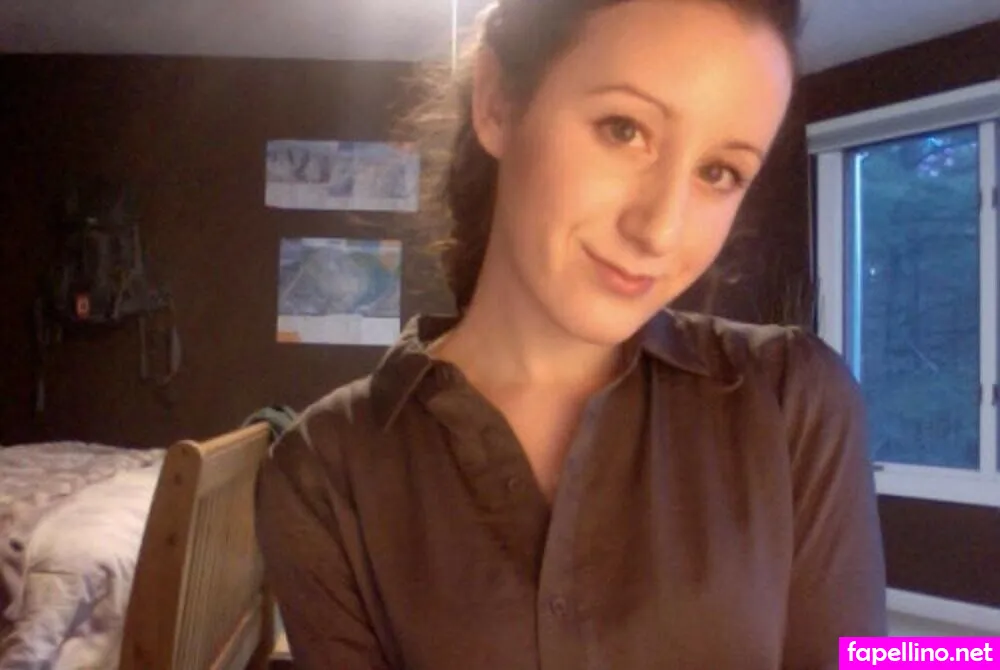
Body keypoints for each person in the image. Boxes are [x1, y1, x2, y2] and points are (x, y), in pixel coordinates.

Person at [255, 0, 888, 667]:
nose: (660, 230)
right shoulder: (323, 471)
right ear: (498, 102)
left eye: (718, 172)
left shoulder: (793, 402)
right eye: (625, 129)